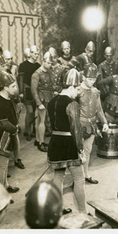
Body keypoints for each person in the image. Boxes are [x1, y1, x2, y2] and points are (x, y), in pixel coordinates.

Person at [47, 68, 87, 214]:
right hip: (69, 144)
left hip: (55, 143)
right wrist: (81, 149)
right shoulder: (72, 104)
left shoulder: (51, 102)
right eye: (77, 88)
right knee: (79, 178)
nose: (78, 92)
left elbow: (47, 124)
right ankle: (83, 212)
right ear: (71, 86)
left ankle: (57, 209)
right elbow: (76, 129)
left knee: (58, 176)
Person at [0, 71, 20, 193]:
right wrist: (15, 128)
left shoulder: (6, 98)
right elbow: (3, 123)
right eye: (12, 86)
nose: (15, 88)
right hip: (1, 137)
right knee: (1, 166)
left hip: (7, 136)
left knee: (5, 165)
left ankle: (5, 186)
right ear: (5, 87)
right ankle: (0, 193)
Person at [78, 64, 109, 184]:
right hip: (80, 126)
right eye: (89, 79)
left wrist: (104, 122)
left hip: (92, 126)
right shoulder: (78, 91)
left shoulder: (96, 91)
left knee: (87, 151)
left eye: (94, 79)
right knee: (79, 153)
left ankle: (85, 175)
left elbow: (99, 109)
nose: (92, 82)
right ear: (84, 77)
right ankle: (78, 177)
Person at [30, 52, 54, 152]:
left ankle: (37, 139)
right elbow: (34, 90)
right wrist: (39, 103)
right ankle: (41, 142)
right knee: (41, 121)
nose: (50, 65)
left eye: (50, 63)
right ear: (43, 61)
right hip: (41, 98)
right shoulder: (36, 74)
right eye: (48, 62)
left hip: (48, 97)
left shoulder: (48, 71)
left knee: (40, 120)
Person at [17, 45, 40, 141]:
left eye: (38, 54)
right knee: (30, 111)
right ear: (30, 54)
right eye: (35, 53)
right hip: (26, 91)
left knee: (34, 111)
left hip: (36, 91)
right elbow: (21, 79)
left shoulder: (38, 66)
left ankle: (32, 129)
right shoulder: (23, 65)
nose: (36, 55)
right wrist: (21, 92)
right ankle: (28, 131)